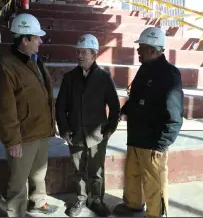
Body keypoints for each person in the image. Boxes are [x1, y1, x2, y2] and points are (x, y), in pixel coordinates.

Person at [0, 13, 58, 217]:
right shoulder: (4, 67)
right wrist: (12, 140)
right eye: (36, 37)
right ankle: (15, 212)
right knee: (18, 181)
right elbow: (3, 109)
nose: (40, 41)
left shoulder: (34, 61)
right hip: (23, 137)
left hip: (41, 131)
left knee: (38, 174)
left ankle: (37, 202)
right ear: (25, 39)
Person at [113, 27, 184, 218]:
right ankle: (133, 205)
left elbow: (175, 113)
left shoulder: (169, 74)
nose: (137, 52)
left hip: (153, 142)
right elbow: (137, 97)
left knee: (155, 182)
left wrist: (163, 143)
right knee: (133, 176)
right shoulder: (145, 69)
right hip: (136, 136)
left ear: (153, 50)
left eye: (141, 48)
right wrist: (125, 110)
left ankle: (155, 214)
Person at [56, 33, 121, 217]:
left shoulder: (104, 78)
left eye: (84, 52)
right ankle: (82, 198)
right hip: (75, 133)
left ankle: (96, 199)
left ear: (94, 54)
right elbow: (60, 107)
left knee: (97, 171)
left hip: (97, 135)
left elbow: (115, 108)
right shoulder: (69, 78)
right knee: (78, 170)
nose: (80, 56)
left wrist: (109, 130)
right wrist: (65, 129)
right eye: (78, 52)